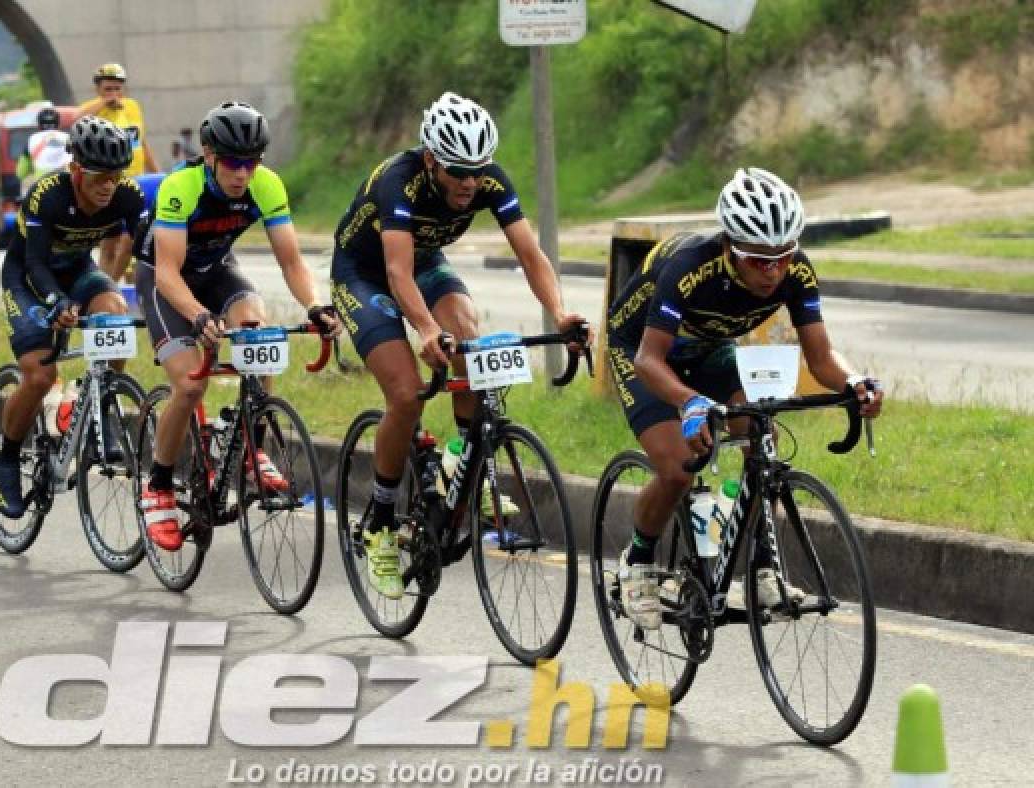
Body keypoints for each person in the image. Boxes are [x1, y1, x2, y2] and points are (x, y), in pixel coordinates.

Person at [329, 91, 592, 600]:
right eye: (457, 171)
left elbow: (532, 255)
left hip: (423, 261)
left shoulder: (488, 180)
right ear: (431, 160)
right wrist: (426, 329)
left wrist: (560, 313)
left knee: (470, 337)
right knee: (406, 393)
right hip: (365, 273)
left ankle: (461, 454)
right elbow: (396, 273)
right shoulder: (396, 181)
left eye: (478, 169)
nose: (470, 182)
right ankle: (380, 519)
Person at [605, 166, 884, 629]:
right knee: (676, 468)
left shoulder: (795, 271)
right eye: (757, 259)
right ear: (730, 247)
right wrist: (690, 402)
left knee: (761, 435)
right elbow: (649, 360)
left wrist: (855, 383)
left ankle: (760, 570)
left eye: (782, 256)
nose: (773, 271)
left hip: (712, 349)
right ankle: (637, 562)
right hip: (644, 351)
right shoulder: (690, 266)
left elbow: (820, 358)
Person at [133, 101, 340, 551]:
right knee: (190, 387)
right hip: (165, 279)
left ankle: (252, 447)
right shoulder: (181, 186)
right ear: (209, 155)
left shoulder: (266, 185)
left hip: (216, 269)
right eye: (232, 162)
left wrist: (315, 306)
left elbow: (291, 261)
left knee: (258, 329)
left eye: (252, 162)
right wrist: (199, 316)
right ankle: (160, 486)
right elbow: (167, 273)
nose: (242, 173)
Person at [0, 117, 146, 519]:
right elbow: (36, 263)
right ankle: (5, 458)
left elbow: (148, 250)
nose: (108, 185)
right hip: (27, 277)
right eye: (99, 176)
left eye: (116, 175)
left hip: (77, 270)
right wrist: (58, 303)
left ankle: (101, 403)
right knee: (40, 375)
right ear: (76, 170)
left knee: (115, 316)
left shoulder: (126, 196)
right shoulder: (48, 195)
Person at [79, 63, 158, 286]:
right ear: (98, 89)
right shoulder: (93, 109)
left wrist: (156, 171)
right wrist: (103, 103)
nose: (114, 94)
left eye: (117, 89)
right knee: (110, 244)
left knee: (134, 241)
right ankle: (103, 289)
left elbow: (141, 142)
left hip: (137, 183)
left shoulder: (132, 107)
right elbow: (77, 120)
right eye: (108, 89)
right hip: (110, 183)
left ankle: (134, 293)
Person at [16, 106, 71, 196]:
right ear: (58, 124)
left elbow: (21, 172)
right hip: (67, 184)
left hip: (43, 188)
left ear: (39, 125)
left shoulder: (32, 140)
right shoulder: (68, 137)